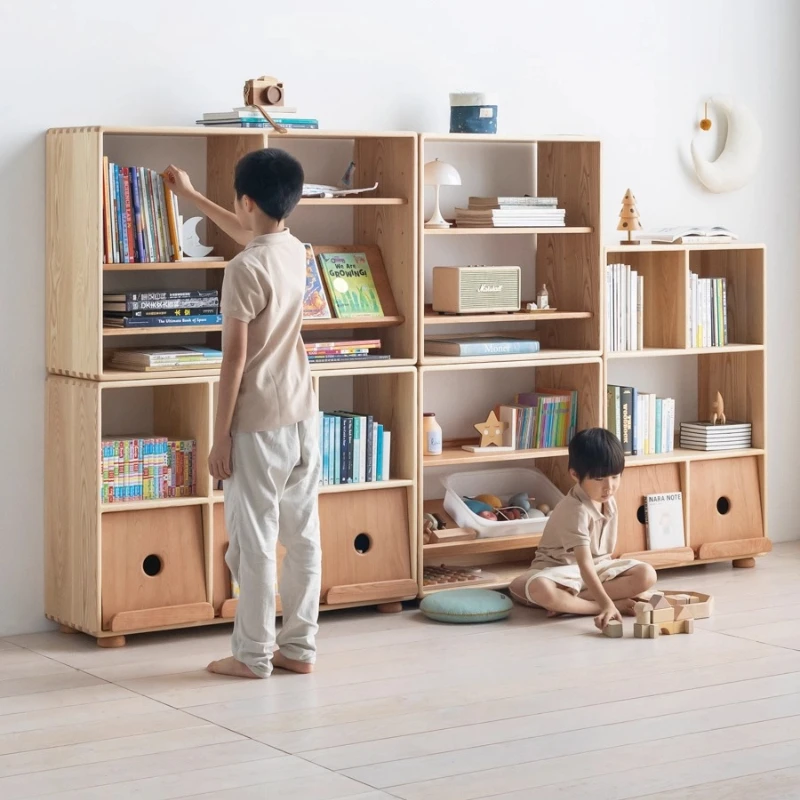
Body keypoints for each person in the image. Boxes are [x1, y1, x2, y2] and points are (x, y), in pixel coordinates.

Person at [164, 150, 321, 678]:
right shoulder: (294, 249)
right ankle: (299, 649)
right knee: (302, 536)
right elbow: (249, 230)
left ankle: (252, 655)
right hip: (303, 414)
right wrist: (192, 196)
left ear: (246, 200)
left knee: (253, 542)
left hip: (257, 422)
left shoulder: (242, 270)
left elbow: (233, 361)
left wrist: (219, 437)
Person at [509, 428, 657, 630]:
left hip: (597, 569)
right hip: (557, 572)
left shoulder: (608, 500)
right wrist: (606, 604)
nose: (609, 487)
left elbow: (598, 562)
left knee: (647, 574)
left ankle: (570, 604)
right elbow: (584, 564)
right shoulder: (575, 509)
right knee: (538, 588)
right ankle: (599, 605)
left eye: (615, 477)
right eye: (599, 479)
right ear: (575, 474)